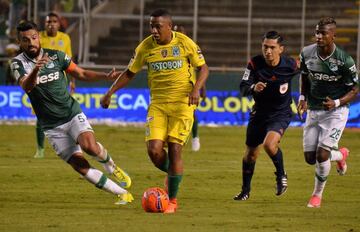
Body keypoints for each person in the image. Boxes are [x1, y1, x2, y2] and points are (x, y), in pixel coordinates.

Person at [10, 20, 133, 205]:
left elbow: (81, 73)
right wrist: (36, 69)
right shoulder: (17, 63)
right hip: (51, 126)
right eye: (25, 40)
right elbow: (27, 86)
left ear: (39, 37)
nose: (31, 42)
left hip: (71, 113)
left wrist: (104, 76)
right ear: (20, 42)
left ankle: (112, 166)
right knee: (80, 167)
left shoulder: (57, 56)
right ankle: (122, 193)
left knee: (89, 146)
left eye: (34, 37)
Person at [100, 9, 209, 213]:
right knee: (154, 151)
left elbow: (204, 68)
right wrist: (109, 92)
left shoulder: (184, 42)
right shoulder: (145, 47)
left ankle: (172, 201)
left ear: (169, 26)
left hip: (182, 104)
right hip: (158, 104)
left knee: (176, 149)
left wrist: (196, 89)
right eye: (151, 25)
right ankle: (173, 174)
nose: (154, 30)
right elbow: (129, 72)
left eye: (158, 26)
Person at [297, 17, 359, 208]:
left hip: (336, 112)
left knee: (322, 155)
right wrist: (302, 98)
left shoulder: (344, 60)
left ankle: (316, 196)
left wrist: (338, 102)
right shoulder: (306, 53)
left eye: (324, 33)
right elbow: (304, 77)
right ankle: (340, 155)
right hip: (314, 110)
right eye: (317, 32)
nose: (319, 36)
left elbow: (355, 88)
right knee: (310, 158)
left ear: (333, 36)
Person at [234, 31, 298, 201]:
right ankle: (245, 191)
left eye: (272, 47)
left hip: (280, 113)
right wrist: (253, 87)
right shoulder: (254, 63)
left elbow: (307, 74)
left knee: (270, 145)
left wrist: (305, 97)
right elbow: (243, 87)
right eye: (265, 47)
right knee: (250, 154)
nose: (268, 51)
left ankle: (281, 175)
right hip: (259, 114)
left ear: (281, 49)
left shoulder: (290, 64)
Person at [32, 12, 76, 159]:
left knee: (67, 114)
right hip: (41, 83)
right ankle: (40, 149)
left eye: (54, 21)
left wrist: (72, 80)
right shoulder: (38, 37)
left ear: (59, 24)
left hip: (59, 82)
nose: (51, 24)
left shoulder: (65, 38)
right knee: (40, 115)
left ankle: (72, 147)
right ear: (45, 24)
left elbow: (69, 62)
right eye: (48, 21)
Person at [173, 24, 206, 152]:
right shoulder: (168, 48)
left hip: (189, 87)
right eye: (176, 32)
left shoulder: (189, 47)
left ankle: (195, 137)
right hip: (172, 88)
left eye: (181, 33)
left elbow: (201, 68)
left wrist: (201, 87)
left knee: (190, 112)